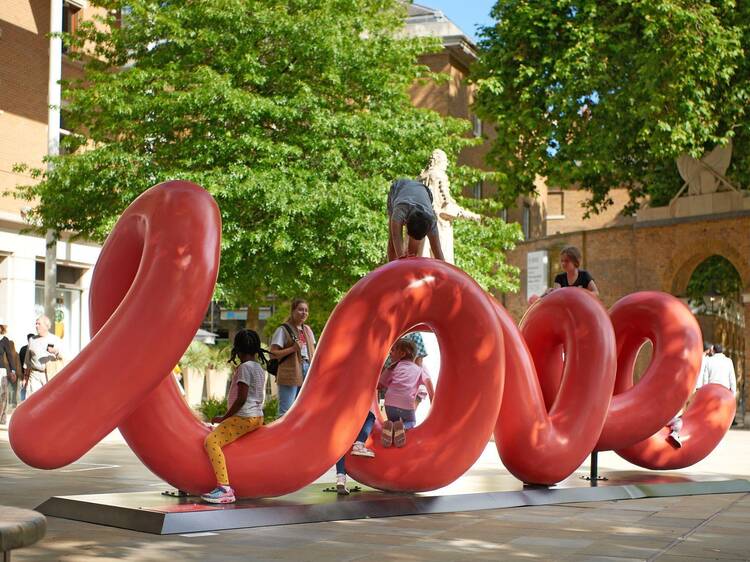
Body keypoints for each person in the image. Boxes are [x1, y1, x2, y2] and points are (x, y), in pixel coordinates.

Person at [201, 329, 267, 504]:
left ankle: (224, 488)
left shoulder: (245, 368)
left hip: (244, 416)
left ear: (237, 350)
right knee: (218, 434)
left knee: (211, 441)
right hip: (256, 416)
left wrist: (225, 418)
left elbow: (242, 398)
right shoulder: (259, 367)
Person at [378, 338, 435, 448]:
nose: (391, 352)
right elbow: (428, 383)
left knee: (392, 421)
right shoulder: (419, 369)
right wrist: (432, 399)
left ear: (402, 353)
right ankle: (403, 426)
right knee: (411, 421)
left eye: (394, 350)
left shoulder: (392, 367)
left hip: (390, 403)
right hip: (406, 404)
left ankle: (391, 430)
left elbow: (380, 385)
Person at [270, 299, 316, 417]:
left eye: (306, 310)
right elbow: (273, 354)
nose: (304, 313)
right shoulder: (283, 330)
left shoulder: (308, 330)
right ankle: (280, 435)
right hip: (290, 371)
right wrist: (292, 349)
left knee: (302, 410)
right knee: (286, 411)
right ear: (292, 311)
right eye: (300, 309)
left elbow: (313, 352)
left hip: (308, 369)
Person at [667, 342, 714, 448]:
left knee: (684, 406)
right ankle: (680, 425)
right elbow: (705, 375)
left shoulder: (693, 357)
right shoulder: (706, 360)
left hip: (688, 384)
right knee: (689, 407)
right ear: (708, 350)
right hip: (697, 386)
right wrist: (704, 387)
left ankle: (680, 423)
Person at [387, 178, 445, 262]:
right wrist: (401, 257)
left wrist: (445, 271)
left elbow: (437, 251)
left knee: (413, 250)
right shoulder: (400, 210)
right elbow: (396, 236)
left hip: (423, 190)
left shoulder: (432, 222)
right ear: (406, 222)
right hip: (399, 188)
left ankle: (411, 262)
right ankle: (391, 268)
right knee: (392, 240)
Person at [334, 412, 376, 495]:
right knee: (370, 416)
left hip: (337, 414)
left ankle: (340, 478)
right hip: (348, 410)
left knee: (341, 442)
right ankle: (359, 444)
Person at [22, 316, 62, 398]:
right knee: (33, 400)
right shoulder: (32, 340)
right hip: (34, 375)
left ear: (46, 326)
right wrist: (25, 378)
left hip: (50, 375)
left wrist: (55, 351)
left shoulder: (55, 339)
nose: (36, 326)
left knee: (48, 400)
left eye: (39, 324)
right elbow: (27, 360)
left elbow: (65, 357)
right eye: (36, 324)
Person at [0, 321, 20, 424]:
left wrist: (13, 370)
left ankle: (2, 416)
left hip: (1, 371)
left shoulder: (4, 340)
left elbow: (9, 356)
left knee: (3, 395)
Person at [17, 333, 34, 402]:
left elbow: (20, 361)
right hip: (31, 372)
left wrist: (21, 371)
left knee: (23, 388)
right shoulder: (32, 349)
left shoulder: (23, 349)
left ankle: (23, 402)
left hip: (24, 371)